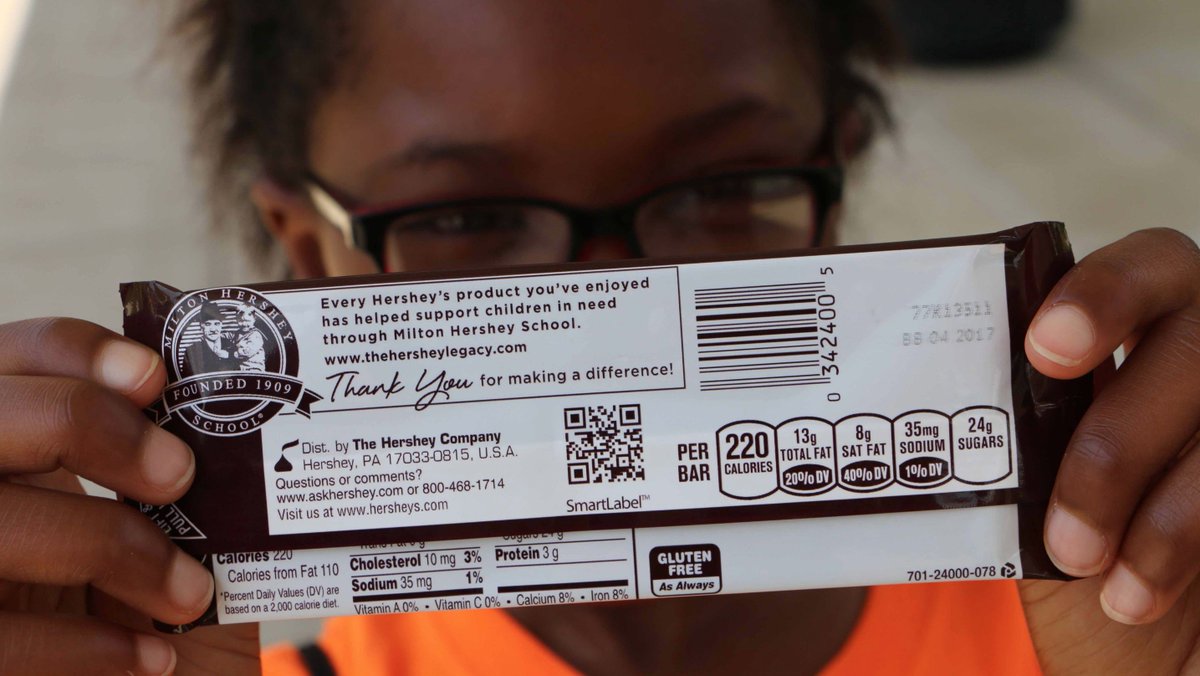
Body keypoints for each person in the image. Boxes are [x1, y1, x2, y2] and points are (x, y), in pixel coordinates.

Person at [0, 1, 1197, 674]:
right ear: (307, 254)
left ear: (827, 178)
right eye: (466, 217)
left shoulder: (1095, 620)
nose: (618, 297)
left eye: (726, 186)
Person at [180, 302, 236, 377]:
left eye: (216, 324)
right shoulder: (192, 351)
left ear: (221, 325)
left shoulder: (231, 345)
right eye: (208, 324)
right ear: (201, 326)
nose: (213, 329)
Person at [232, 303, 267, 372]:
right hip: (241, 368)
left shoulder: (255, 335)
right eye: (241, 321)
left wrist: (231, 354)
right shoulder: (238, 333)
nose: (244, 324)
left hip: (254, 368)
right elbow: (228, 336)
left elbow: (247, 352)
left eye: (247, 321)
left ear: (254, 319)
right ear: (236, 320)